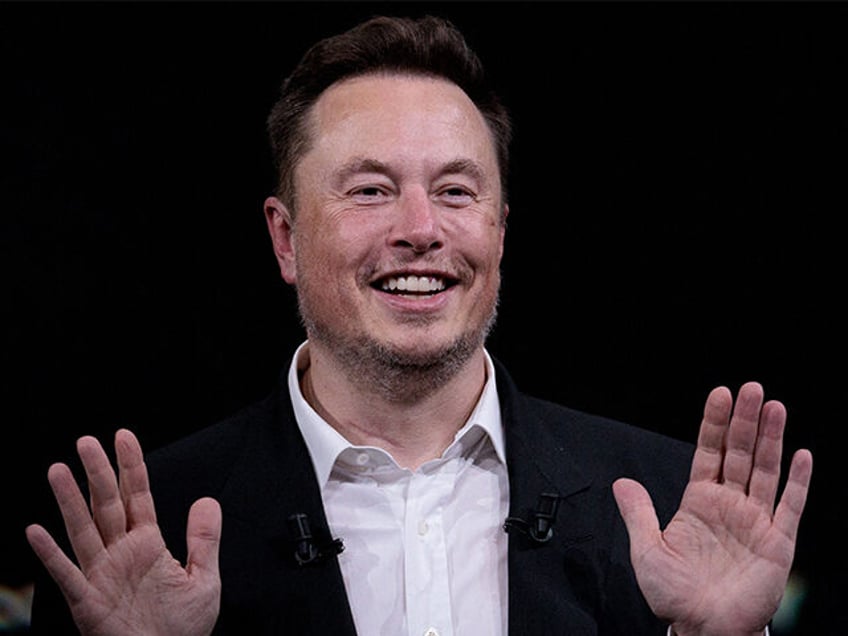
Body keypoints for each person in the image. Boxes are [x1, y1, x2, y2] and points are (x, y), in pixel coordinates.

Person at [24, 14, 812, 636]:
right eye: (370, 190)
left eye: (457, 192)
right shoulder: (140, 535)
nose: (420, 229)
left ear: (500, 231)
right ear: (285, 237)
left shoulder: (668, 503)